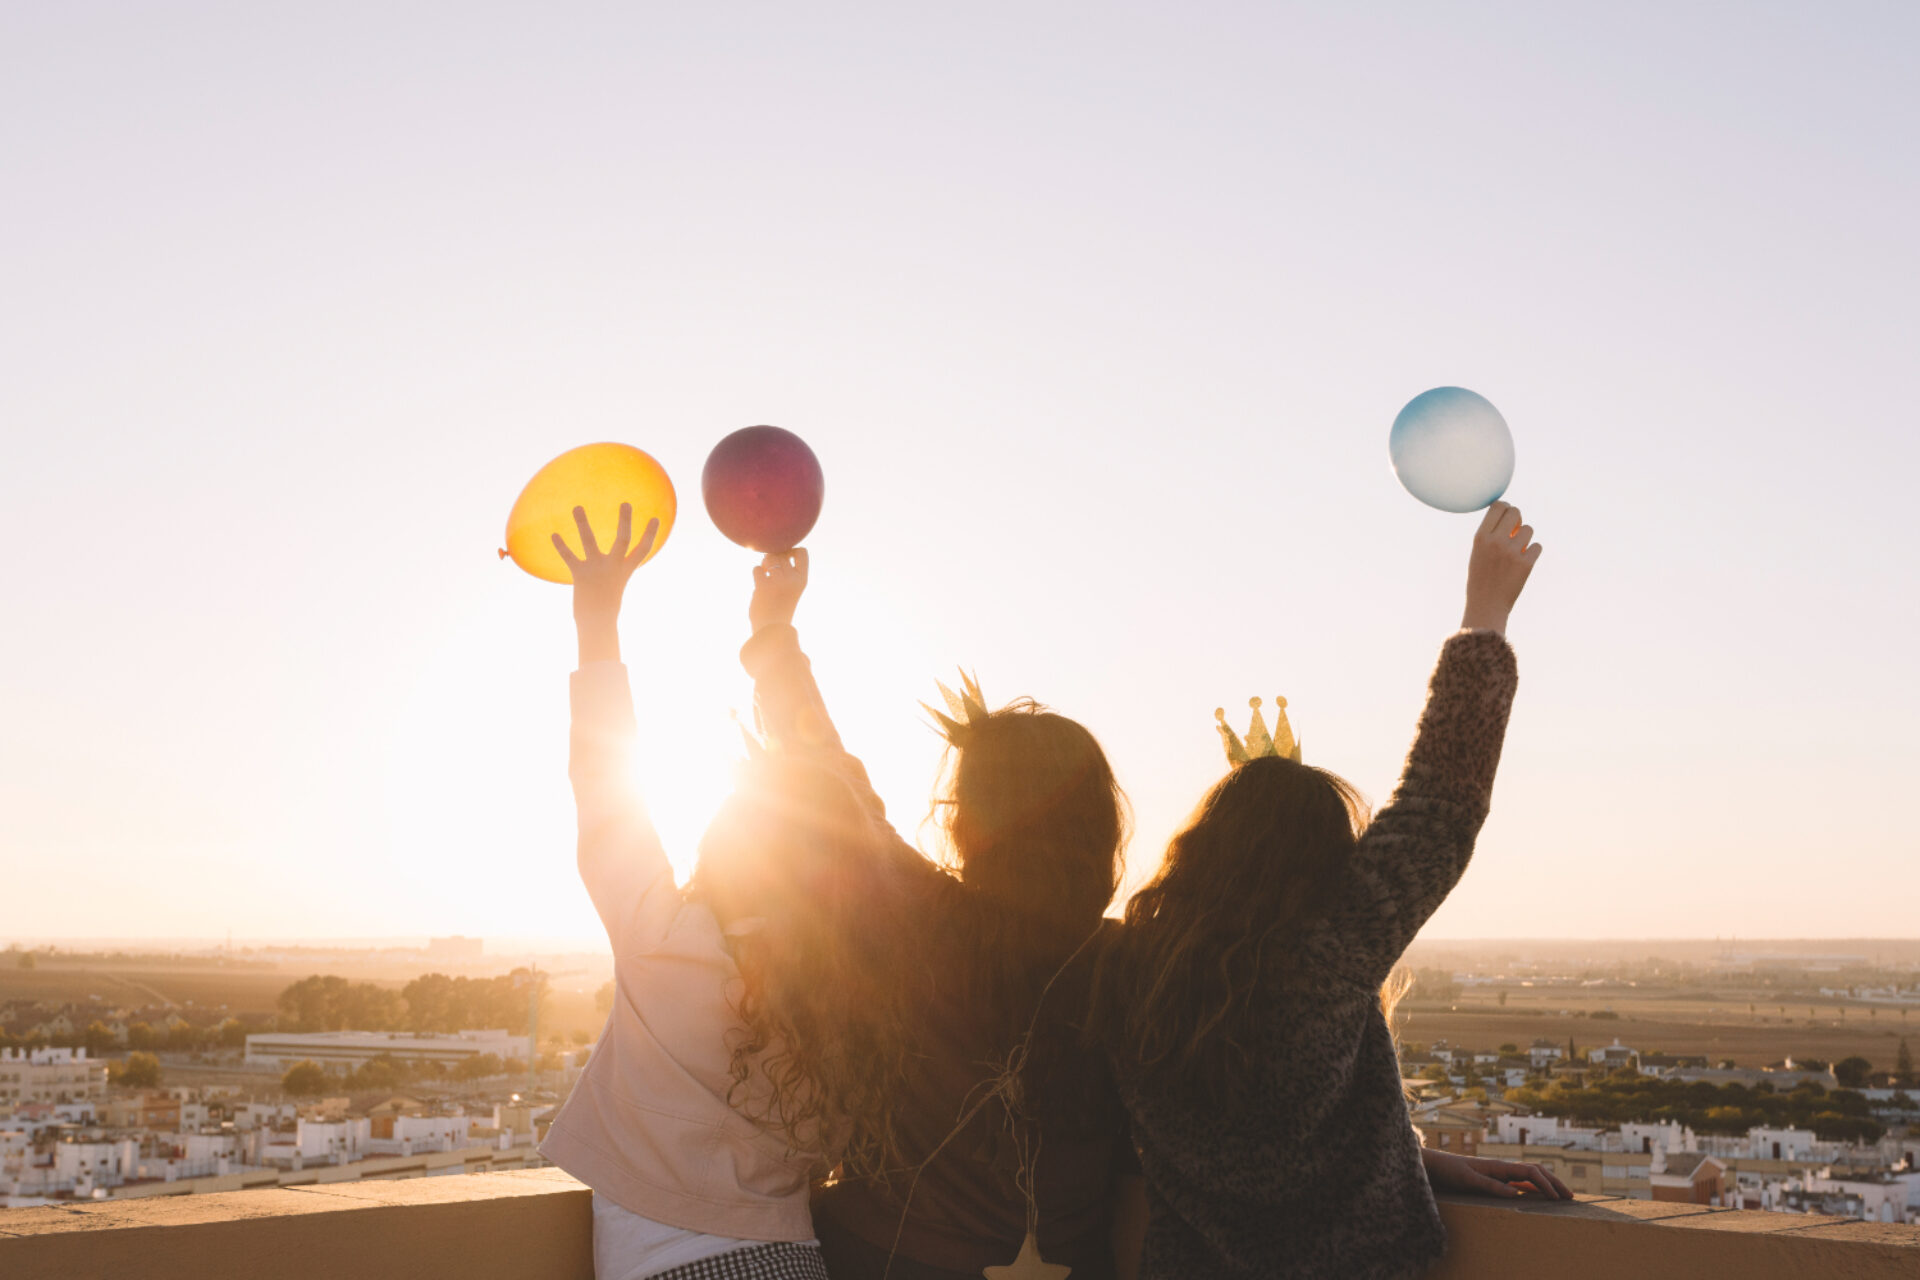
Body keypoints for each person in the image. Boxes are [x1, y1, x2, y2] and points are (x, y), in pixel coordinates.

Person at [1092, 501, 1568, 1280]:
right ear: (1323, 866)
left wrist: (1416, 1159)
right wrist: (1485, 615)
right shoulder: (1322, 954)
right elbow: (1438, 807)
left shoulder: (1125, 969)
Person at [738, 548, 1142, 1280]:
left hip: (889, 1258)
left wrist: (773, 638)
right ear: (1102, 831)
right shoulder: (1138, 966)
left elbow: (828, 780)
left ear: (969, 823)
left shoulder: (919, 915)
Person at [537, 505, 917, 1280]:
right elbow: (852, 820)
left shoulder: (665, 941)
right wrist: (775, 638)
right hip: (799, 1260)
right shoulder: (853, 993)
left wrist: (597, 620)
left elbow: (606, 792)